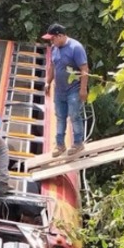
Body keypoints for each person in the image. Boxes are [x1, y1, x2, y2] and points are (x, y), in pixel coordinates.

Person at [42, 22, 89, 157]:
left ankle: (78, 143)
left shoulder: (76, 48)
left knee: (74, 115)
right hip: (59, 90)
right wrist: (48, 82)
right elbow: (52, 67)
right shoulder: (54, 48)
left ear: (60, 36)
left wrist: (83, 89)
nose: (51, 42)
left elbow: (84, 69)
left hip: (74, 89)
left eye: (52, 38)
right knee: (60, 117)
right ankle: (60, 145)